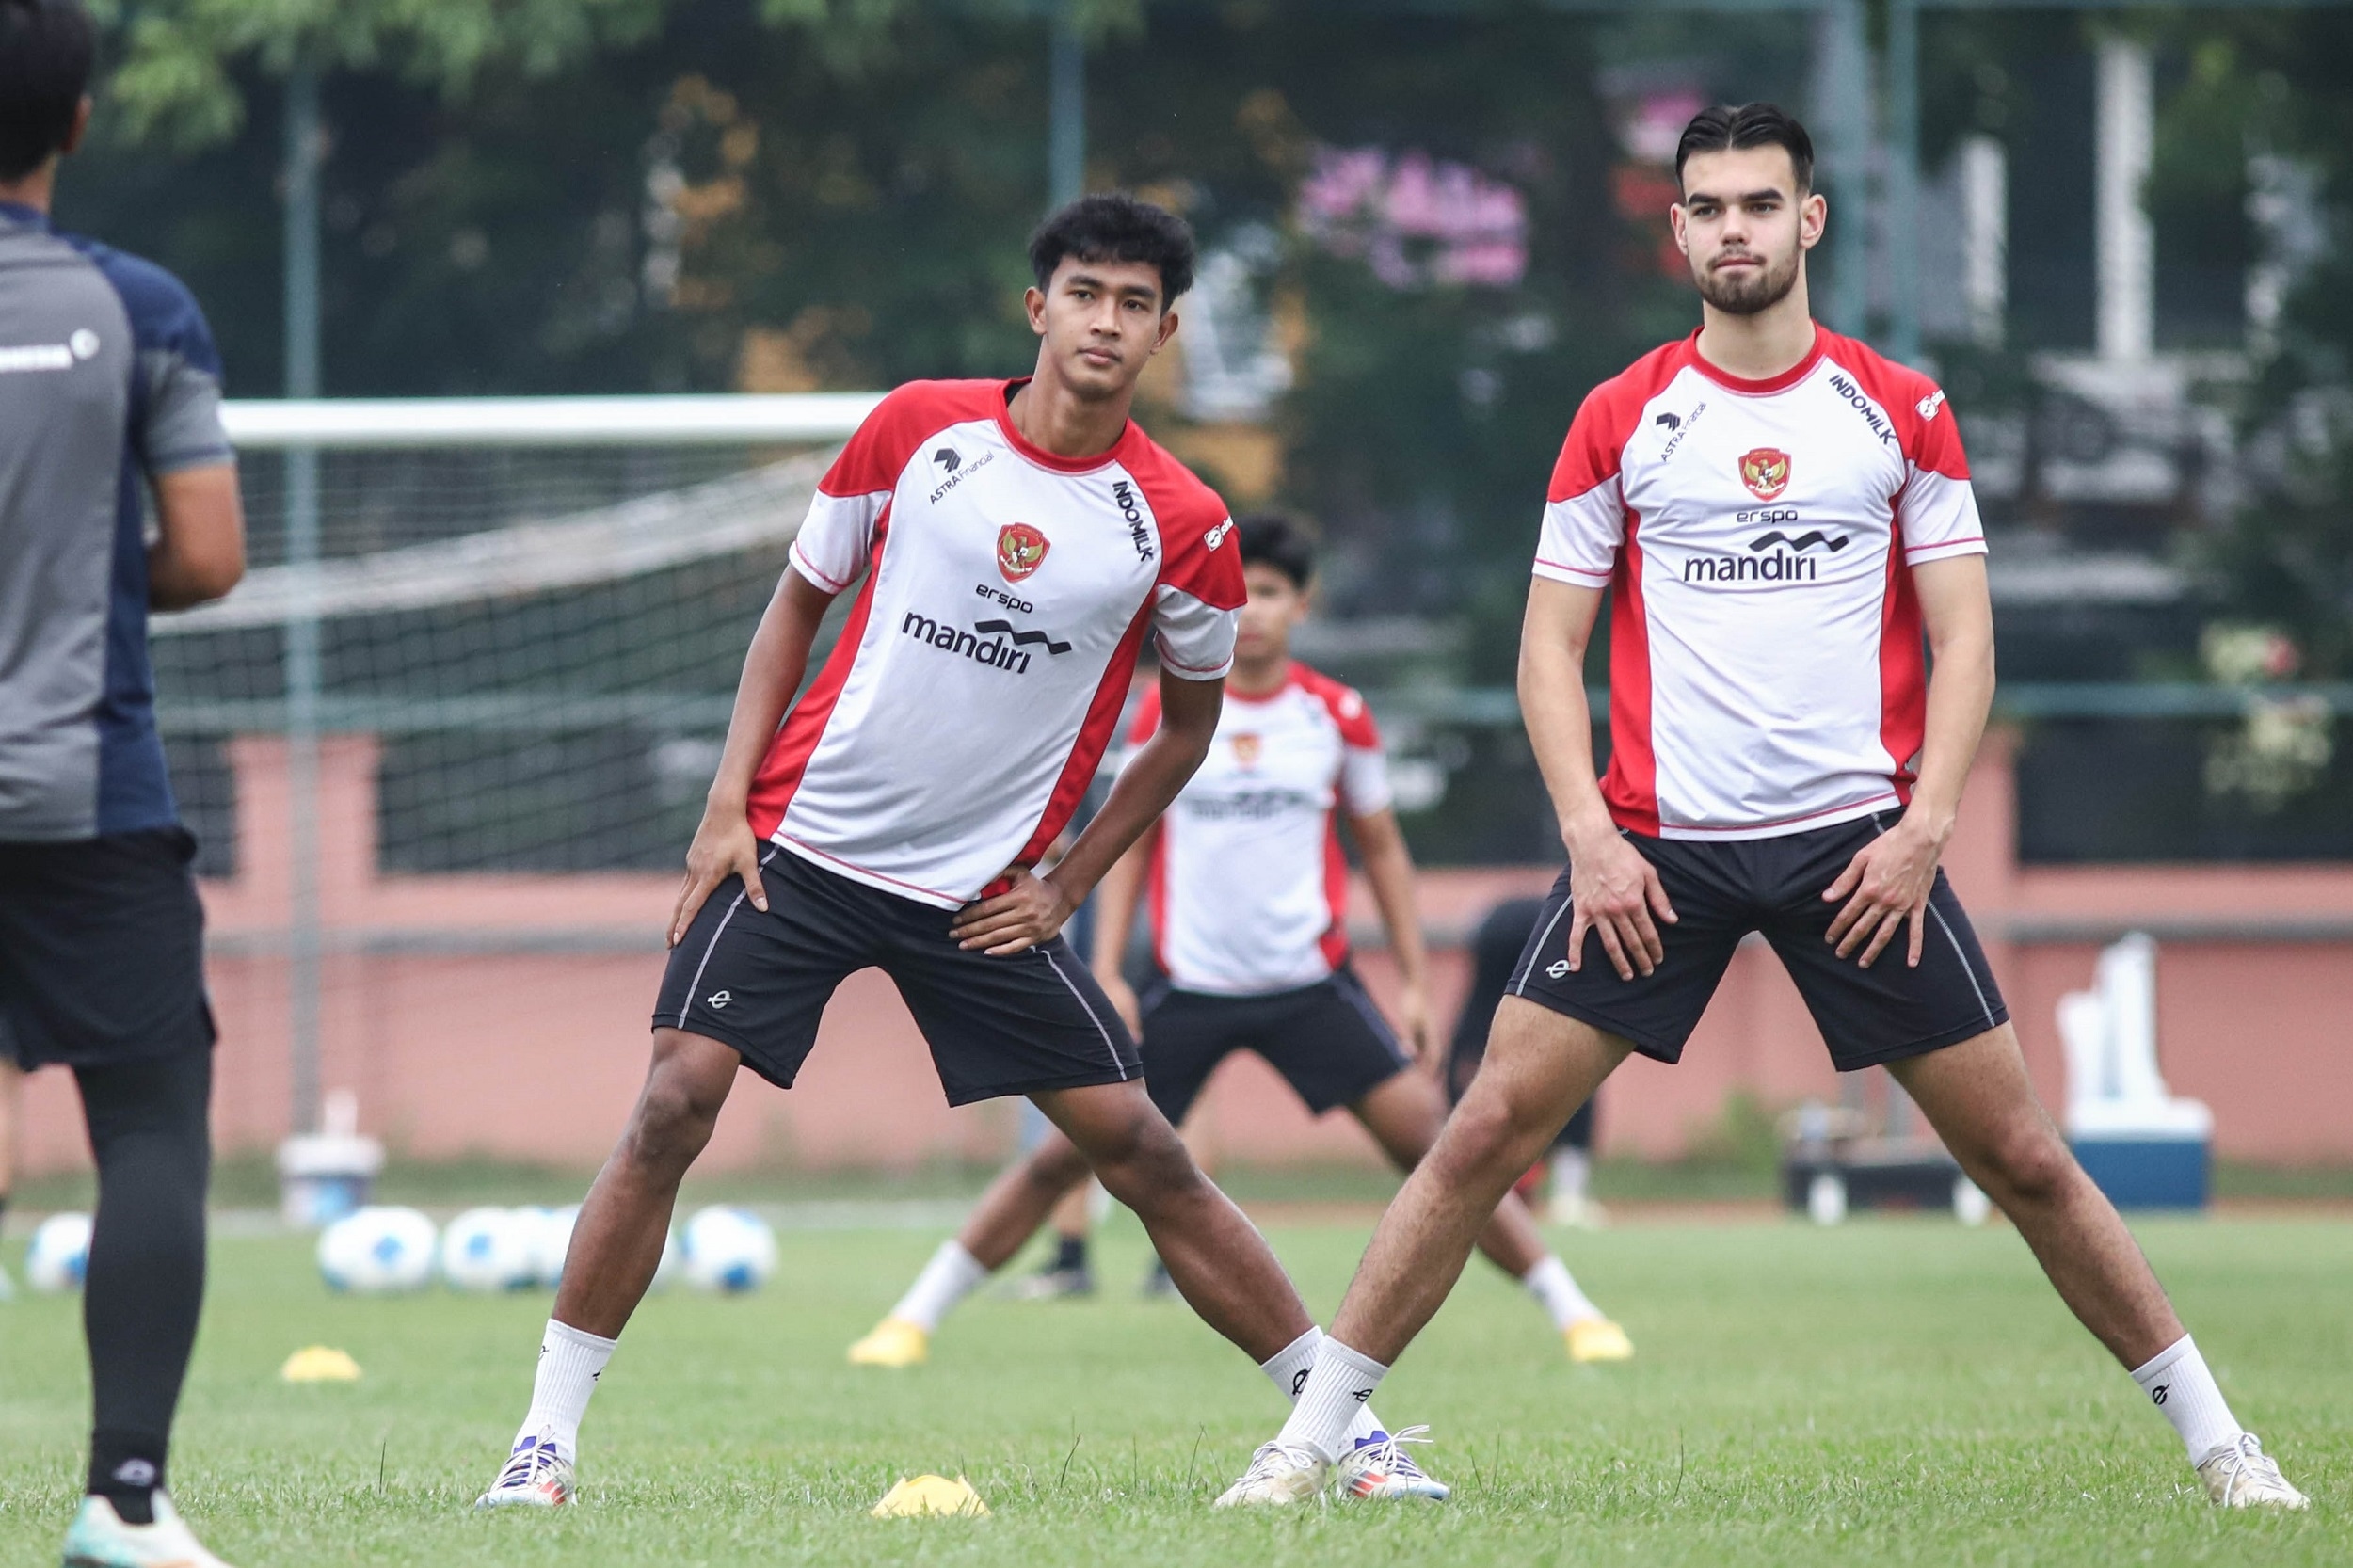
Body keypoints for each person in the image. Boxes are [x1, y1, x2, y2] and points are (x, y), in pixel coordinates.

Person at [1218, 103, 2309, 1511]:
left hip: (1863, 850)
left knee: (2025, 1154)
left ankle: (2225, 1446)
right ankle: (1309, 1445)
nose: (1733, 228)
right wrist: (1590, 837)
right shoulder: (1621, 416)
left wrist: (1923, 829)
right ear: (1677, 231)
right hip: (1653, 857)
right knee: (1481, 1132)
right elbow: (1548, 650)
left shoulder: (1900, 408)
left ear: (1810, 220)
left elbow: (1967, 641)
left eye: (1759, 202)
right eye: (1707, 207)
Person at [476, 194, 1439, 1510]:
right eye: (1086, 292)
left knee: (1143, 1149)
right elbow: (796, 605)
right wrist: (725, 804)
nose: (1108, 320)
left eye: (1136, 303)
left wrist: (1072, 881)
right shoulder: (915, 428)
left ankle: (1348, 1430)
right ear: (1037, 307)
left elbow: (1187, 725)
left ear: (1167, 331)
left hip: (982, 899)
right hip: (801, 854)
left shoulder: (1186, 523)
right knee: (670, 1104)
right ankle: (542, 1447)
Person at [847, 516, 1631, 1371]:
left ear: (1301, 604)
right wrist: (1109, 970)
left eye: (1269, 593)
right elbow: (1132, 841)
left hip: (1311, 986)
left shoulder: (1337, 716)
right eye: (1237, 593)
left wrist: (1410, 982)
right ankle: (913, 1319)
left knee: (1446, 1144)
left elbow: (1382, 852)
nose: (1250, 611)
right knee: (1066, 1161)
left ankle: (1573, 1312)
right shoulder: (1171, 709)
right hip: (1185, 990)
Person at [0, 2, 248, 1560]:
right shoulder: (138, 305)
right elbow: (210, 555)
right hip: (90, 794)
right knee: (149, 1129)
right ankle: (127, 1502)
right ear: (81, 121)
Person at [1447, 897, 1604, 1227]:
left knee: (1476, 1030)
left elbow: (1464, 1048)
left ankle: (1458, 1170)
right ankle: (1568, 1195)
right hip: (1544, 924)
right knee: (1578, 1048)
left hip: (1500, 925)